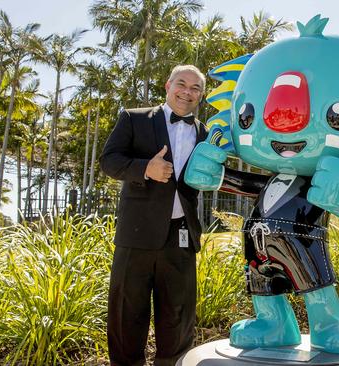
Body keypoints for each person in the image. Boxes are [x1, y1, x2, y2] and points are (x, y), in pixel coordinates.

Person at [99, 64, 208, 365]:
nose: (187, 92)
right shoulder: (134, 118)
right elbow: (109, 161)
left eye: (195, 88)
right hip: (137, 235)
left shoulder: (204, 132)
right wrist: (145, 168)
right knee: (127, 314)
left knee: (178, 316)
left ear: (201, 94)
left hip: (181, 237)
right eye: (182, 84)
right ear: (167, 85)